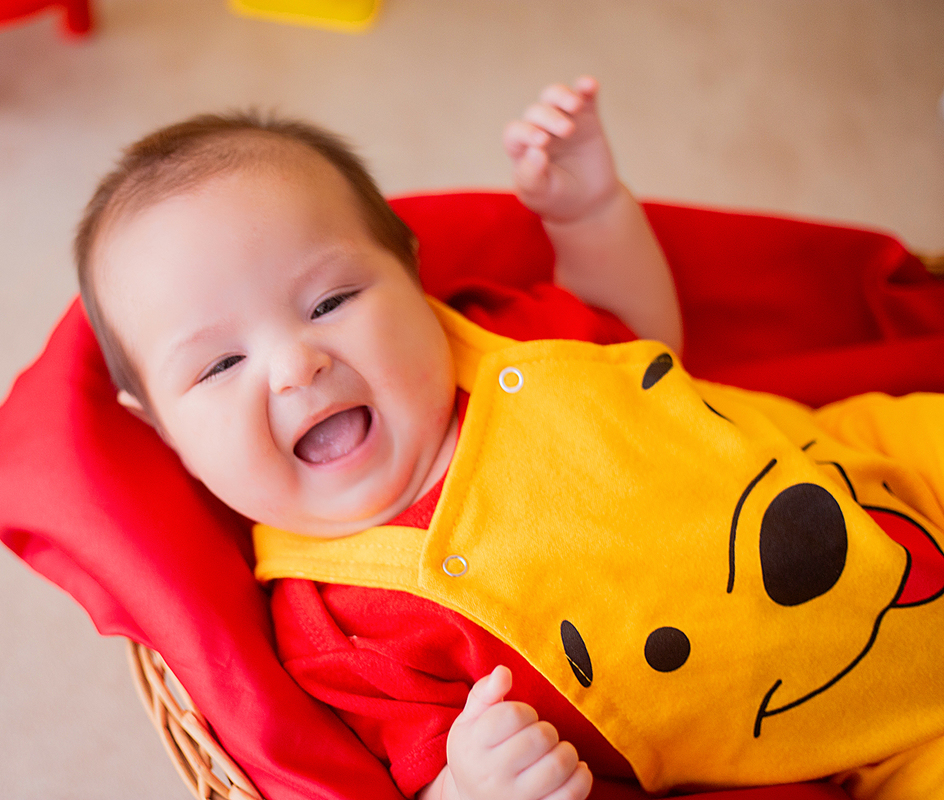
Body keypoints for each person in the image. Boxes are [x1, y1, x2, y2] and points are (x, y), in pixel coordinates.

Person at [74, 79, 944, 800]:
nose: (297, 366)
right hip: (855, 741)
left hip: (877, 460)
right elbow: (417, 780)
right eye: (221, 364)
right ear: (160, 428)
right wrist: (470, 785)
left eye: (331, 302)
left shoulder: (504, 335)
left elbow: (643, 341)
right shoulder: (334, 625)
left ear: (411, 278)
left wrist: (592, 212)